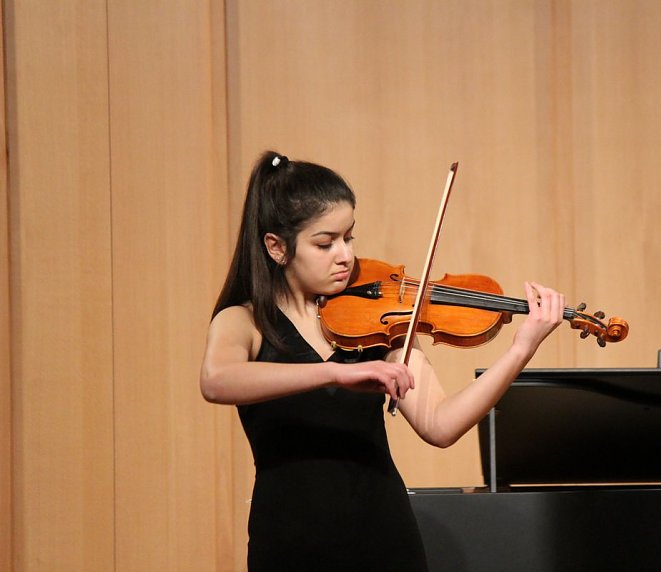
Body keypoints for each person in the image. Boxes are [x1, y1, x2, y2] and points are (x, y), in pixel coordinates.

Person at [200, 150, 565, 571]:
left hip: (383, 538)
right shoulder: (244, 321)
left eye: (349, 237)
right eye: (325, 243)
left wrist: (521, 349)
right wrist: (335, 372)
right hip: (290, 542)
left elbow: (441, 425)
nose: (345, 255)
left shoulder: (375, 318)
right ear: (277, 248)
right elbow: (217, 380)